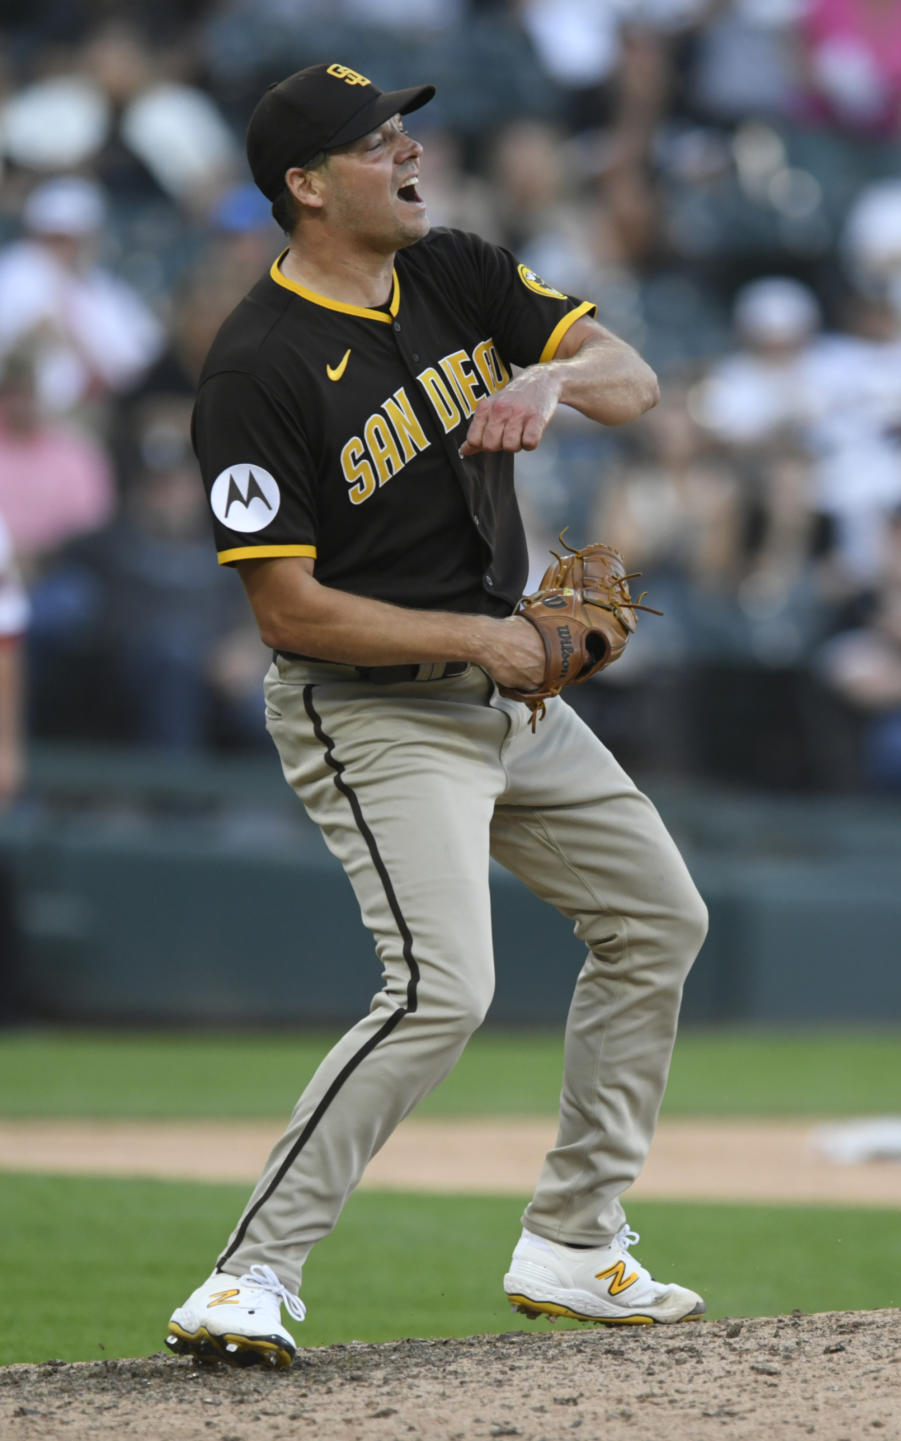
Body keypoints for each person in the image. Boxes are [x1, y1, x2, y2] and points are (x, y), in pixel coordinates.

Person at [166, 62, 708, 1369]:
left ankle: (575, 1239)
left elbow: (632, 375)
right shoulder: (258, 368)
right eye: (378, 143)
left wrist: (551, 385)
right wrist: (493, 636)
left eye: (410, 132)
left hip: (510, 694)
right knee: (442, 987)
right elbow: (289, 614)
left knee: (660, 918)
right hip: (374, 712)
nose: (413, 154)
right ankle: (249, 1273)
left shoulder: (459, 271)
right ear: (306, 186)